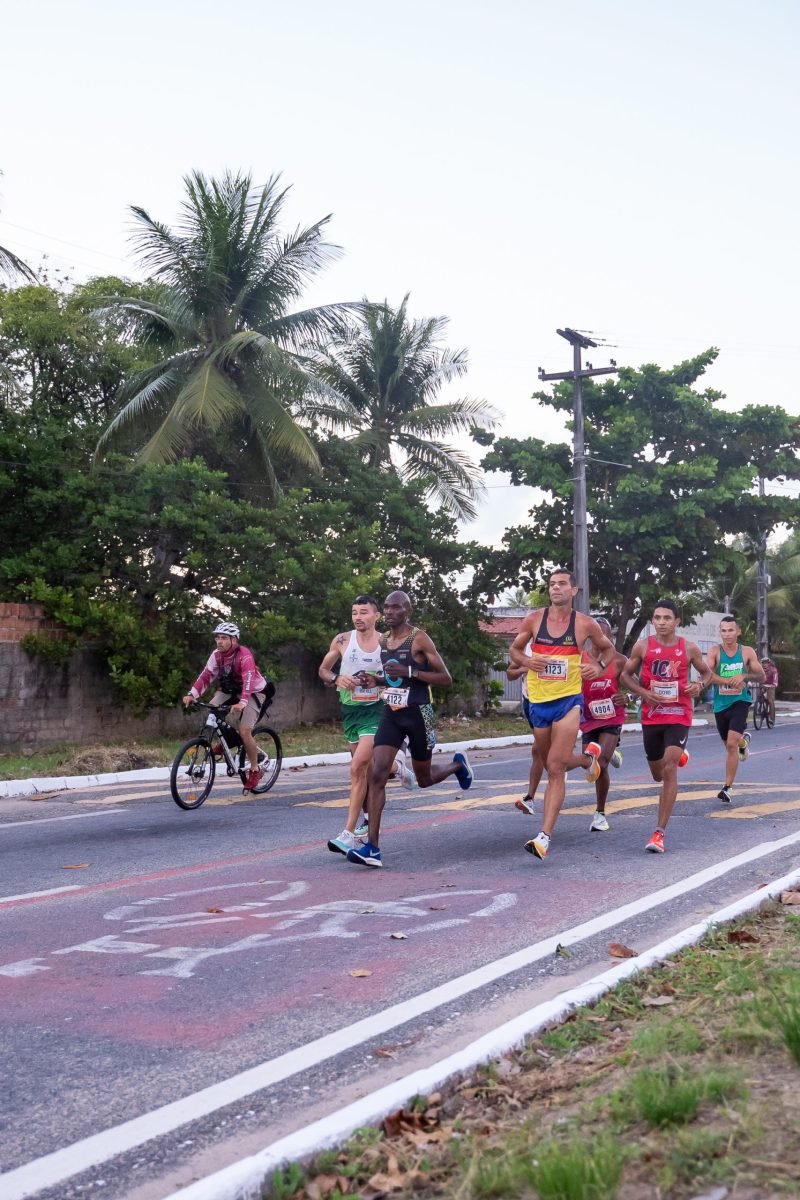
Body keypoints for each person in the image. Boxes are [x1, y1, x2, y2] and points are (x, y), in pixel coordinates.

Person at [346, 590, 473, 868]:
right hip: (392, 714)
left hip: (419, 713)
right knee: (377, 773)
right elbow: (391, 678)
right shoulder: (382, 640)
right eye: (387, 608)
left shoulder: (419, 638)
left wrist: (412, 673)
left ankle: (456, 766)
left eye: (396, 608)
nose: (390, 612)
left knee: (424, 778)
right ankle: (373, 848)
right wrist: (375, 681)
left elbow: (445, 678)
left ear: (407, 612)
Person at [508, 570, 615, 861]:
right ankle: (587, 760)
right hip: (538, 702)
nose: (556, 588)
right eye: (552, 584)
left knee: (555, 768)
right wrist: (530, 661)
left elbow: (609, 650)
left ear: (574, 590)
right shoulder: (534, 619)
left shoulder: (585, 624)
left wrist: (599, 667)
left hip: (568, 700)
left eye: (562, 584)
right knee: (548, 762)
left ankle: (544, 837)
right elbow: (515, 651)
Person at [318, 596, 414, 857]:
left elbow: (397, 678)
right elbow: (323, 670)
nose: (358, 617)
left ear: (376, 616)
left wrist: (378, 682)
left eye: (364, 612)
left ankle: (348, 834)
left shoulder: (386, 643)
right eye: (354, 612)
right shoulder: (342, 640)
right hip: (351, 711)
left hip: (377, 711)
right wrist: (338, 678)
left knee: (357, 766)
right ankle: (398, 767)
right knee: (368, 770)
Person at [620, 600, 712, 853]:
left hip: (679, 713)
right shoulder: (643, 647)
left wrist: (699, 686)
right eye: (657, 618)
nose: (661, 622)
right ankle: (678, 755)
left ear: (677, 621)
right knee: (657, 774)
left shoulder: (689, 648)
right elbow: (625, 676)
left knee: (669, 768)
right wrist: (642, 693)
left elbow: (707, 674)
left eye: (667, 618)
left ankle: (659, 833)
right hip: (652, 715)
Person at [183, 622, 269, 792]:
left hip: (253, 691)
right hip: (230, 690)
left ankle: (254, 769)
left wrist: (242, 703)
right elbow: (206, 675)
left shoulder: (244, 655)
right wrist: (192, 694)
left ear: (234, 640)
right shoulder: (216, 655)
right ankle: (227, 740)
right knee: (213, 708)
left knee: (244, 730)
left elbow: (248, 682)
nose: (219, 641)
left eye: (223, 638)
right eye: (217, 637)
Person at [705, 616, 764, 804]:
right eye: (724, 630)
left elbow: (761, 676)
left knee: (731, 744)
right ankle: (743, 742)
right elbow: (706, 674)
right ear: (720, 632)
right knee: (730, 745)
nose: (727, 634)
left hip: (740, 701)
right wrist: (726, 681)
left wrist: (744, 675)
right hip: (721, 705)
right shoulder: (715, 652)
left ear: (738, 631)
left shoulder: (746, 652)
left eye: (731, 630)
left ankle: (727, 787)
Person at [580, 617, 627, 832]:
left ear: (610, 637)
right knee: (590, 765)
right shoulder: (580, 658)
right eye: (596, 634)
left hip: (612, 717)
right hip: (589, 720)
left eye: (605, 634)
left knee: (601, 764)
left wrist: (627, 698)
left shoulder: (618, 660)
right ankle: (613, 752)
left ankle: (599, 814)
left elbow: (636, 685)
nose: (601, 639)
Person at [761, 656, 779, 723]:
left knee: (770, 700)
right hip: (763, 685)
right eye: (763, 663)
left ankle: (772, 718)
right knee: (759, 696)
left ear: (768, 663)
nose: (764, 664)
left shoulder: (773, 669)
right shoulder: (760, 669)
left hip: (771, 685)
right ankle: (760, 707)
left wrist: (774, 684)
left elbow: (775, 677)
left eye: (765, 663)